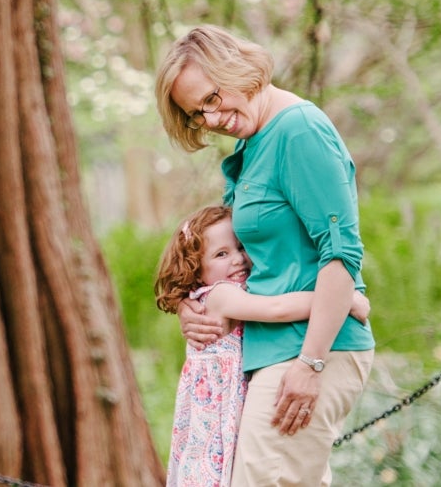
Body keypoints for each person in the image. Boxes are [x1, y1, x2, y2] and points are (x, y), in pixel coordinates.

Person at [155, 25, 377, 486]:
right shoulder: (251, 143)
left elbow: (340, 254)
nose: (210, 119)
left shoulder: (299, 131)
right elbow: (233, 252)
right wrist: (192, 306)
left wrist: (311, 364)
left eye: (212, 98)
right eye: (197, 113)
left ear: (235, 68)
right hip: (270, 349)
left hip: (310, 349)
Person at [155, 205, 369, 487]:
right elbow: (278, 308)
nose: (238, 259)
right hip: (214, 421)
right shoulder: (220, 296)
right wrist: (343, 298)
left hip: (229, 410)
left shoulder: (225, 293)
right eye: (221, 254)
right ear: (195, 268)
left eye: (241, 247)